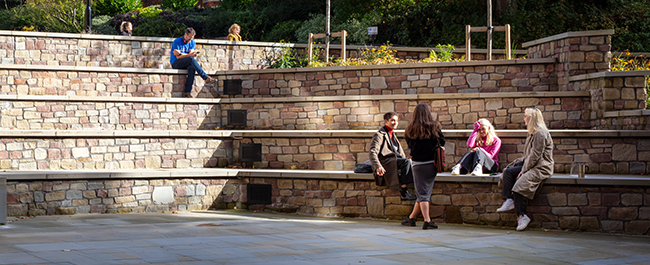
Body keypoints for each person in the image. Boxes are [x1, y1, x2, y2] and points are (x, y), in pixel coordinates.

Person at [496, 108, 554, 231]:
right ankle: (509, 199)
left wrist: (524, 170)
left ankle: (522, 216)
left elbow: (535, 155)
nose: (524, 119)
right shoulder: (532, 133)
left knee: (520, 184)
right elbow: (529, 155)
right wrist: (522, 165)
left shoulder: (540, 133)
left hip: (541, 167)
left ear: (532, 118)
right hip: (531, 165)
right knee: (508, 172)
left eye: (525, 116)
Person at [401, 104, 445, 230]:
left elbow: (409, 145)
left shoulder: (409, 129)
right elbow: (442, 141)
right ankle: (412, 218)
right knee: (423, 192)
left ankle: (426, 221)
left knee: (422, 193)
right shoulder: (434, 127)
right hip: (432, 163)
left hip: (417, 164)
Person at [369, 112, 416, 200]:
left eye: (396, 121)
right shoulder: (379, 135)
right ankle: (404, 191)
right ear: (386, 121)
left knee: (409, 162)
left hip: (394, 160)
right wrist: (378, 166)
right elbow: (372, 152)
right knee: (406, 162)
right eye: (392, 120)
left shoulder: (392, 134)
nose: (395, 123)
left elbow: (399, 153)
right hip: (386, 162)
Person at [170, 27, 216, 97]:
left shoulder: (192, 42)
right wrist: (186, 55)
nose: (190, 39)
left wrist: (181, 54)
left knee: (192, 67)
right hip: (176, 63)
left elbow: (190, 54)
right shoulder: (176, 42)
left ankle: (187, 92)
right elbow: (178, 57)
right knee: (191, 59)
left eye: (192, 37)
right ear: (185, 34)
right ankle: (205, 77)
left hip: (186, 62)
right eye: (189, 37)